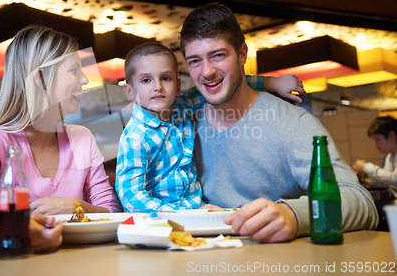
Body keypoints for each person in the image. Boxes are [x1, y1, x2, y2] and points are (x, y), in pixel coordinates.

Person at [179, 2, 378, 243]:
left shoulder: (293, 124)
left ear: (242, 54)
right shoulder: (181, 126)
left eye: (218, 55)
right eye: (194, 61)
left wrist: (294, 215)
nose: (207, 72)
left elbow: (362, 203)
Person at [0, 26, 119, 252]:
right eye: (74, 70)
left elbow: (111, 211)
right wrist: (5, 232)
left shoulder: (82, 138)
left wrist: (79, 207)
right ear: (40, 77)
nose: (84, 80)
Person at [115, 42, 306, 212]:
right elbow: (131, 198)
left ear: (178, 85)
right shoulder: (136, 137)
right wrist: (184, 214)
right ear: (129, 91)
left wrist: (272, 82)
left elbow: (229, 84)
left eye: (165, 78)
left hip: (197, 210)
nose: (158, 87)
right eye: (146, 80)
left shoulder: (182, 106)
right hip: (157, 220)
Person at [353, 116, 397, 199]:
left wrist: (366, 166)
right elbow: (385, 182)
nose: (375, 144)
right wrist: (366, 174)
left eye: (377, 139)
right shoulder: (389, 157)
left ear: (391, 136)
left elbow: (395, 178)